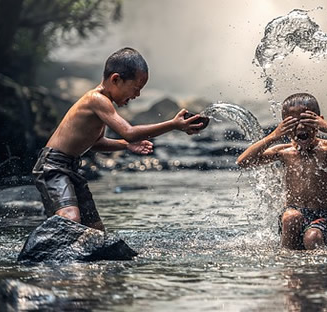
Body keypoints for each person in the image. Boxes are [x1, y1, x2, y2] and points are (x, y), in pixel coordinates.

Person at [32, 47, 207, 231]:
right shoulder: (96, 99)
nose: (137, 95)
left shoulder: (104, 105)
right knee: (71, 218)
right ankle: (41, 249)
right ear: (116, 79)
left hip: (70, 167)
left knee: (95, 230)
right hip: (53, 166)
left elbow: (97, 143)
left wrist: (125, 146)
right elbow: (129, 132)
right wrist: (173, 124)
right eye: (136, 88)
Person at [237, 93, 327, 250]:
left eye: (306, 120)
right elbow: (243, 162)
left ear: (319, 121)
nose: (300, 127)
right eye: (292, 123)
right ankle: (286, 262)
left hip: (321, 216)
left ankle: (318, 271)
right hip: (290, 215)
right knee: (292, 217)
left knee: (313, 238)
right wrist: (274, 135)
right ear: (284, 125)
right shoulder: (284, 151)